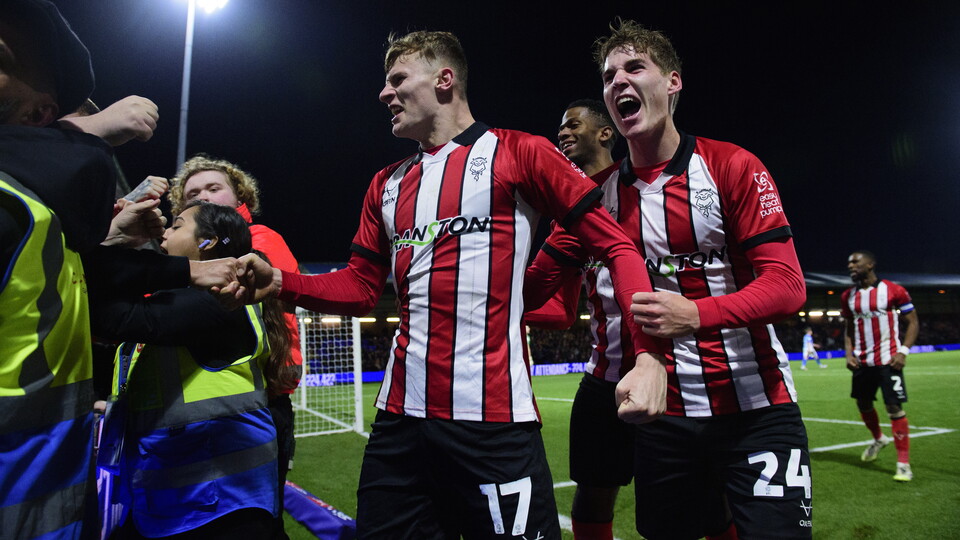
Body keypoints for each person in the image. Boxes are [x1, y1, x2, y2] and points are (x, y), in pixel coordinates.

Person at [234, 30, 668, 539]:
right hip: (399, 425)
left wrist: (647, 355)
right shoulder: (386, 184)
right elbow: (358, 288)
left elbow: (616, 246)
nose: (384, 93)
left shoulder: (519, 153)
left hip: (494, 424)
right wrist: (281, 281)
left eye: (398, 80)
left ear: (445, 80)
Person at [526, 19, 811, 539]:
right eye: (609, 76)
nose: (619, 83)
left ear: (673, 82)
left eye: (635, 68)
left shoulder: (733, 166)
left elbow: (788, 286)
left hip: (756, 405)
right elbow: (533, 285)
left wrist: (696, 314)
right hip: (664, 418)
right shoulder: (596, 199)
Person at [0, 4, 248, 537]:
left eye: (179, 220)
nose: (164, 226)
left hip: (212, 501)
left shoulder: (223, 298)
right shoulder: (30, 209)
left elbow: (113, 309)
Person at [89, 201, 284, 538]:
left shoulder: (217, 299)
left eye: (176, 225)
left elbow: (108, 315)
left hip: (220, 510)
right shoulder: (188, 299)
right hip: (173, 506)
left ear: (207, 243)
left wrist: (113, 243)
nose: (164, 233)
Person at [169, 154, 303, 539]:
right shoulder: (183, 251)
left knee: (257, 518)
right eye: (193, 193)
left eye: (214, 188)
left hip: (260, 400)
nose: (204, 196)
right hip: (202, 403)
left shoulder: (261, 239)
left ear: (238, 195)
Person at [525, 98, 634, 540]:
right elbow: (550, 301)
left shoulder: (638, 186)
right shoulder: (569, 211)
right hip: (604, 372)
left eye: (574, 124)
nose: (563, 133)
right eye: (560, 127)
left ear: (605, 133)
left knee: (695, 499)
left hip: (671, 370)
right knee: (592, 490)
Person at [842, 250, 918, 482]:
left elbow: (913, 321)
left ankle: (903, 463)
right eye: (849, 263)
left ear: (870, 264)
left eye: (855, 261)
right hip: (862, 361)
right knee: (863, 404)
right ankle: (878, 438)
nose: (850, 266)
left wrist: (903, 351)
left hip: (888, 361)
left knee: (894, 408)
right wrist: (848, 353)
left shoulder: (894, 290)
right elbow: (848, 327)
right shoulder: (848, 296)